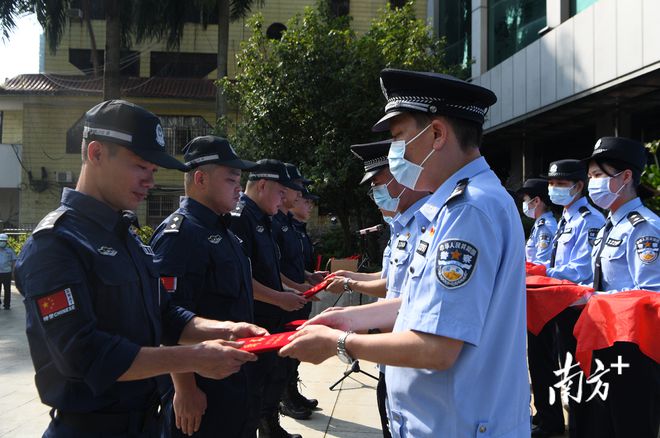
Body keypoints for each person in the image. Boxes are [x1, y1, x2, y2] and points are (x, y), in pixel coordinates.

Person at [280, 69, 530, 437]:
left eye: (399, 138)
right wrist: (347, 320)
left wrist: (340, 344)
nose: (395, 153)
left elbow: (437, 347)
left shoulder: (468, 210)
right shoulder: (452, 207)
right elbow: (420, 303)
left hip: (458, 424)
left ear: (438, 134)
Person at [13, 100, 264, 438]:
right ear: (96, 154)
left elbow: (166, 315)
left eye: (153, 171)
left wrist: (224, 330)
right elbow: (82, 354)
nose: (150, 181)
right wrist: (193, 359)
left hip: (147, 422)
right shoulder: (55, 243)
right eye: (140, 166)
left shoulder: (126, 236)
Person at [150, 136, 259, 437]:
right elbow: (167, 317)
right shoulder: (181, 235)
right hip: (202, 389)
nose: (239, 187)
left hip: (232, 379)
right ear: (200, 178)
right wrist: (185, 389)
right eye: (231, 179)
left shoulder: (222, 230)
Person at [582, 136, 659, 438]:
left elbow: (651, 295)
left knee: (631, 421)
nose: (592, 184)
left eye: (598, 176)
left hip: (633, 346)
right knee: (604, 421)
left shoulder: (644, 227)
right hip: (604, 338)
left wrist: (597, 299)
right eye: (590, 177)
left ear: (626, 177)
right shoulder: (609, 226)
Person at [230, 159, 309, 438]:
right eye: (281, 192)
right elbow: (241, 277)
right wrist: (278, 297)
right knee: (254, 387)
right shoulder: (241, 219)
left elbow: (270, 268)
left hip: (272, 318)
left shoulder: (264, 217)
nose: (286, 198)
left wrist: (287, 291)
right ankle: (264, 427)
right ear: (262, 185)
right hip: (255, 319)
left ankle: (268, 426)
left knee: (271, 376)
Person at [537, 159, 606, 438]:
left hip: (578, 309)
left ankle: (583, 429)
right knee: (565, 371)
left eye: (560, 184)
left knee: (581, 375)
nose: (553, 189)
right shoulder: (567, 218)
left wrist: (544, 271)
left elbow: (582, 269)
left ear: (578, 186)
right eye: (551, 183)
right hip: (559, 306)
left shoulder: (590, 219)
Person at [274, 163, 317, 420]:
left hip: (296, 297)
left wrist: (308, 278)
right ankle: (283, 401)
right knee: (281, 357)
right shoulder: (274, 222)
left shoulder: (290, 225)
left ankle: (290, 392)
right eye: (299, 191)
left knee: (293, 353)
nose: (304, 198)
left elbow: (294, 264)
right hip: (281, 301)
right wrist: (296, 287)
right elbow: (270, 267)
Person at [517, 178, 557, 266]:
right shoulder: (539, 225)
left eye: (525, 200)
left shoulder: (544, 227)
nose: (524, 203)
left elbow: (542, 262)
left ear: (536, 201)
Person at [0, 233, 16, 309]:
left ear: (6, 242)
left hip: (7, 273)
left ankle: (7, 305)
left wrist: (13, 272)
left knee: (7, 290)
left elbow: (14, 261)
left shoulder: (10, 251)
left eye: (4, 241)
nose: (2, 242)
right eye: (1, 240)